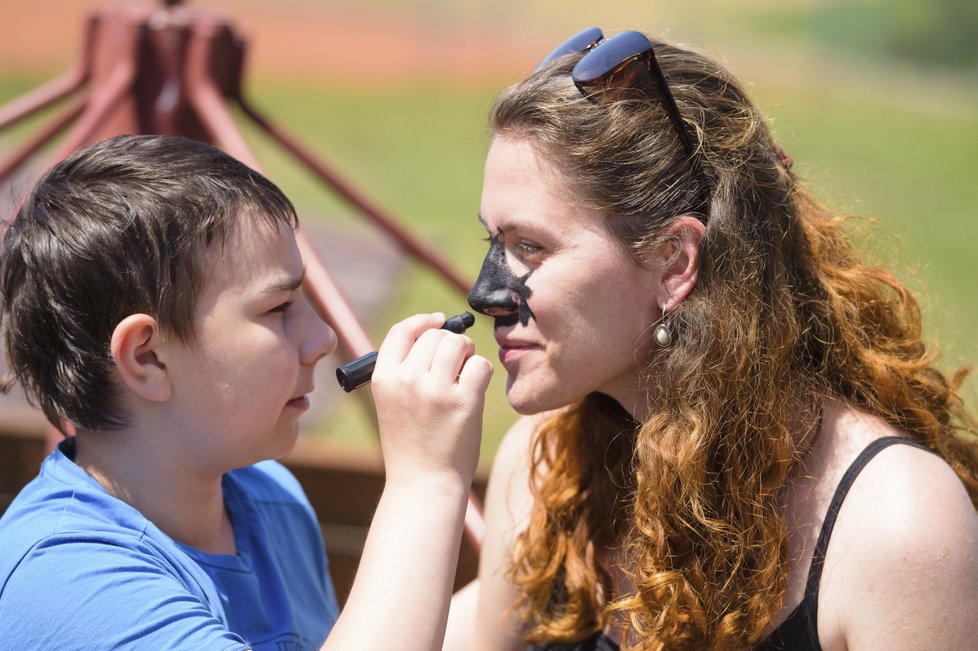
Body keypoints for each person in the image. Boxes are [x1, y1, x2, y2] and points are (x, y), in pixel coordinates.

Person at [448, 27, 978, 651]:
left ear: (675, 263)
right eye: (494, 241)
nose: (485, 294)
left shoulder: (896, 524)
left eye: (528, 246)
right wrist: (426, 483)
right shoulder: (544, 466)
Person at [0, 134, 493, 650]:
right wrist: (425, 479)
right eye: (278, 308)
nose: (322, 339)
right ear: (147, 358)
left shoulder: (272, 500)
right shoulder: (69, 580)